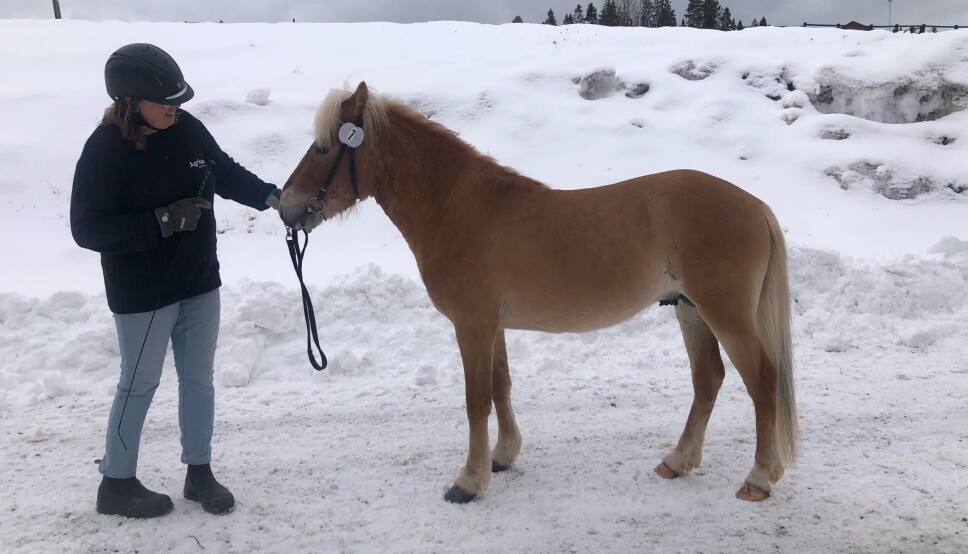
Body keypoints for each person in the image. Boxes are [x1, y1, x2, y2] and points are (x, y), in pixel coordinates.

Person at [71, 43, 310, 518]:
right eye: (164, 101)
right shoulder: (105, 149)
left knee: (199, 380)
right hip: (143, 294)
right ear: (128, 100)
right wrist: (159, 222)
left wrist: (273, 199)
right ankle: (116, 483)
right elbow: (87, 228)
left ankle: (199, 473)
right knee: (139, 383)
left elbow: (224, 172)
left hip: (200, 281)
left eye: (178, 100)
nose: (174, 109)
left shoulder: (187, 129)